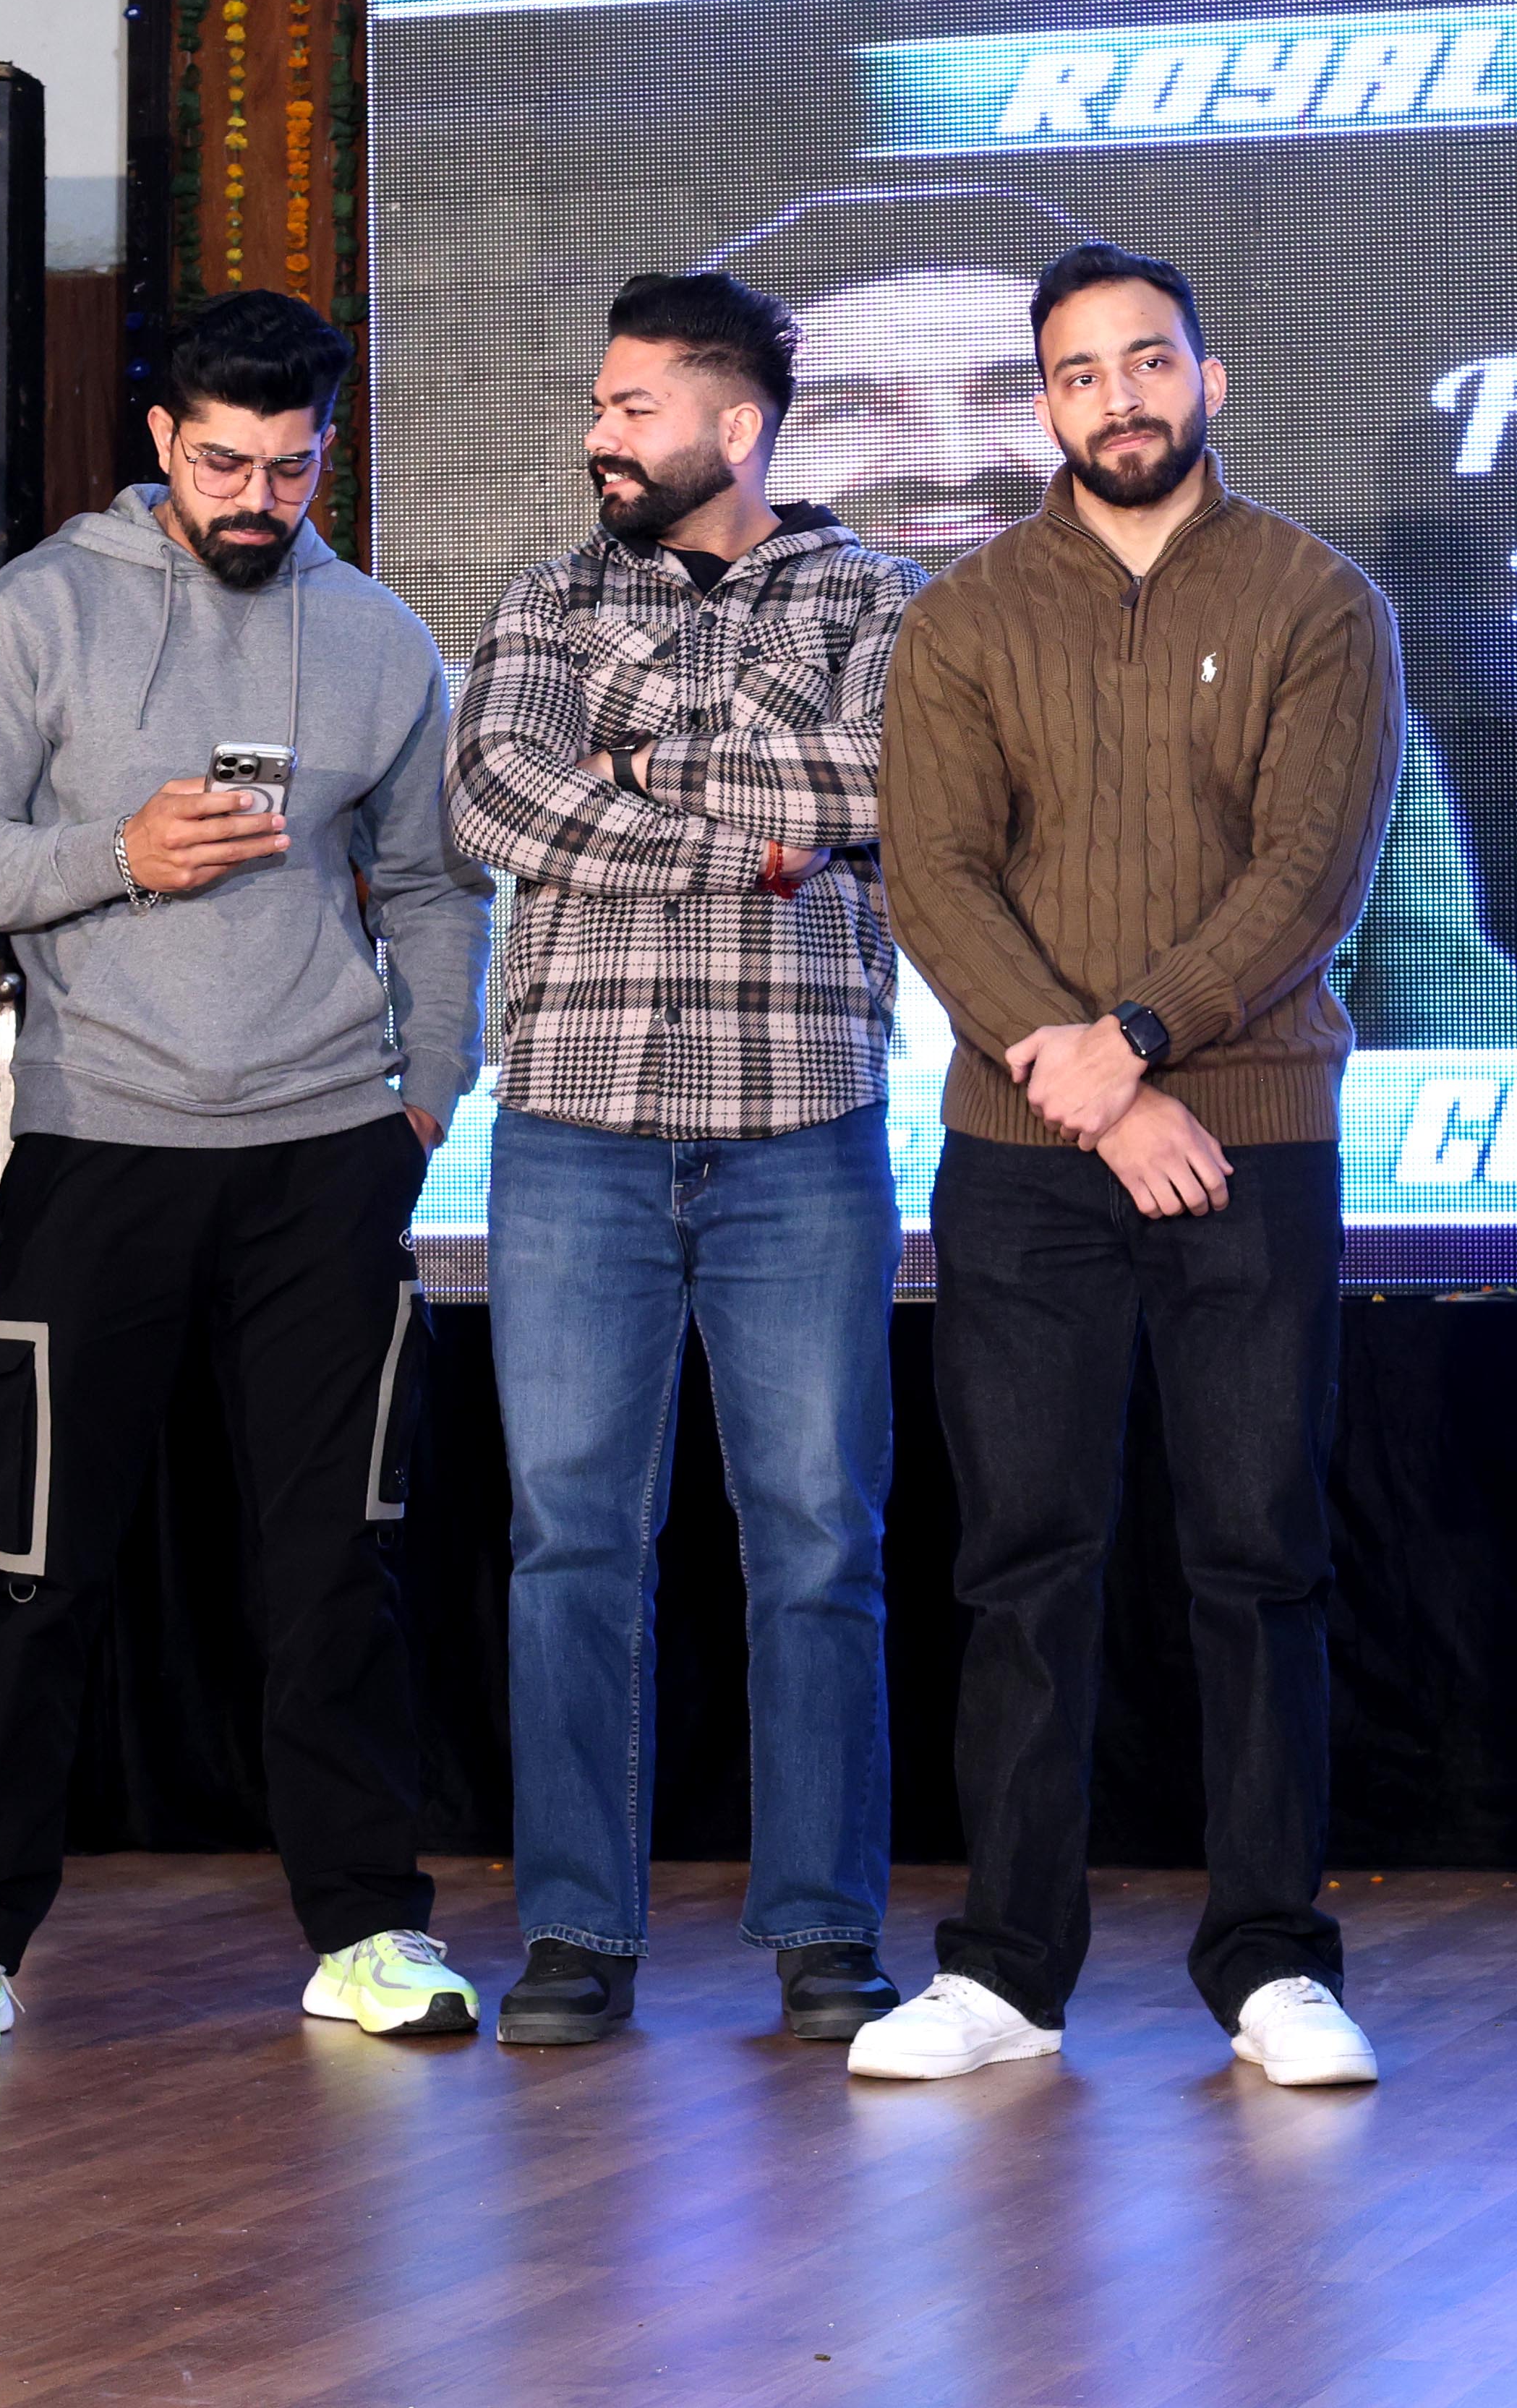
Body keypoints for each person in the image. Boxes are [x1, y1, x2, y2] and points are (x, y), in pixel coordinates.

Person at [0, 288, 494, 2057]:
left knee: (335, 1567)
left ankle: (367, 1927)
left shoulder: (377, 636)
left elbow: (434, 888)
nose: (257, 498)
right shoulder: (39, 607)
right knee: (36, 1559)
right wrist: (120, 852)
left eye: (292, 468)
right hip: (101, 1145)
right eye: (224, 463)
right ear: (162, 440)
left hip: (326, 1155)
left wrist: (426, 1095)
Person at [850, 241, 1403, 2089]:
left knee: (1258, 1555)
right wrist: (1098, 1090)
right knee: (1023, 1559)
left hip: (1251, 1140)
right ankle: (1006, 1969)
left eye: (1150, 361)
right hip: (1024, 1161)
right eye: (1081, 373)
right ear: (1047, 407)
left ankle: (1273, 1963)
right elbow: (937, 878)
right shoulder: (964, 614)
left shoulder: (1317, 597)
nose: (1120, 398)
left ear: (1209, 379)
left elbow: (1308, 874)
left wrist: (1143, 1039)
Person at [446, 271, 922, 2049]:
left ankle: (824, 1932)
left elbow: (886, 787)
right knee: (572, 1538)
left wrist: (637, 762)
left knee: (818, 1538)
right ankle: (577, 1928)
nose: (600, 434)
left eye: (631, 405)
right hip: (574, 1128)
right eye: (600, 403)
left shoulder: (878, 595)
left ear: (735, 423)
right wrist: (750, 834)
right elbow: (493, 800)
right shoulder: (547, 597)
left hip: (803, 1126)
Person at [717, 189, 1517, 1047]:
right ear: (749, 445)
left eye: (1003, 391)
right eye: (852, 408)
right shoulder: (689, 709)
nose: (950, 462)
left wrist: (1131, 1062)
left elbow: (1465, 1036)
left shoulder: (1302, 658)